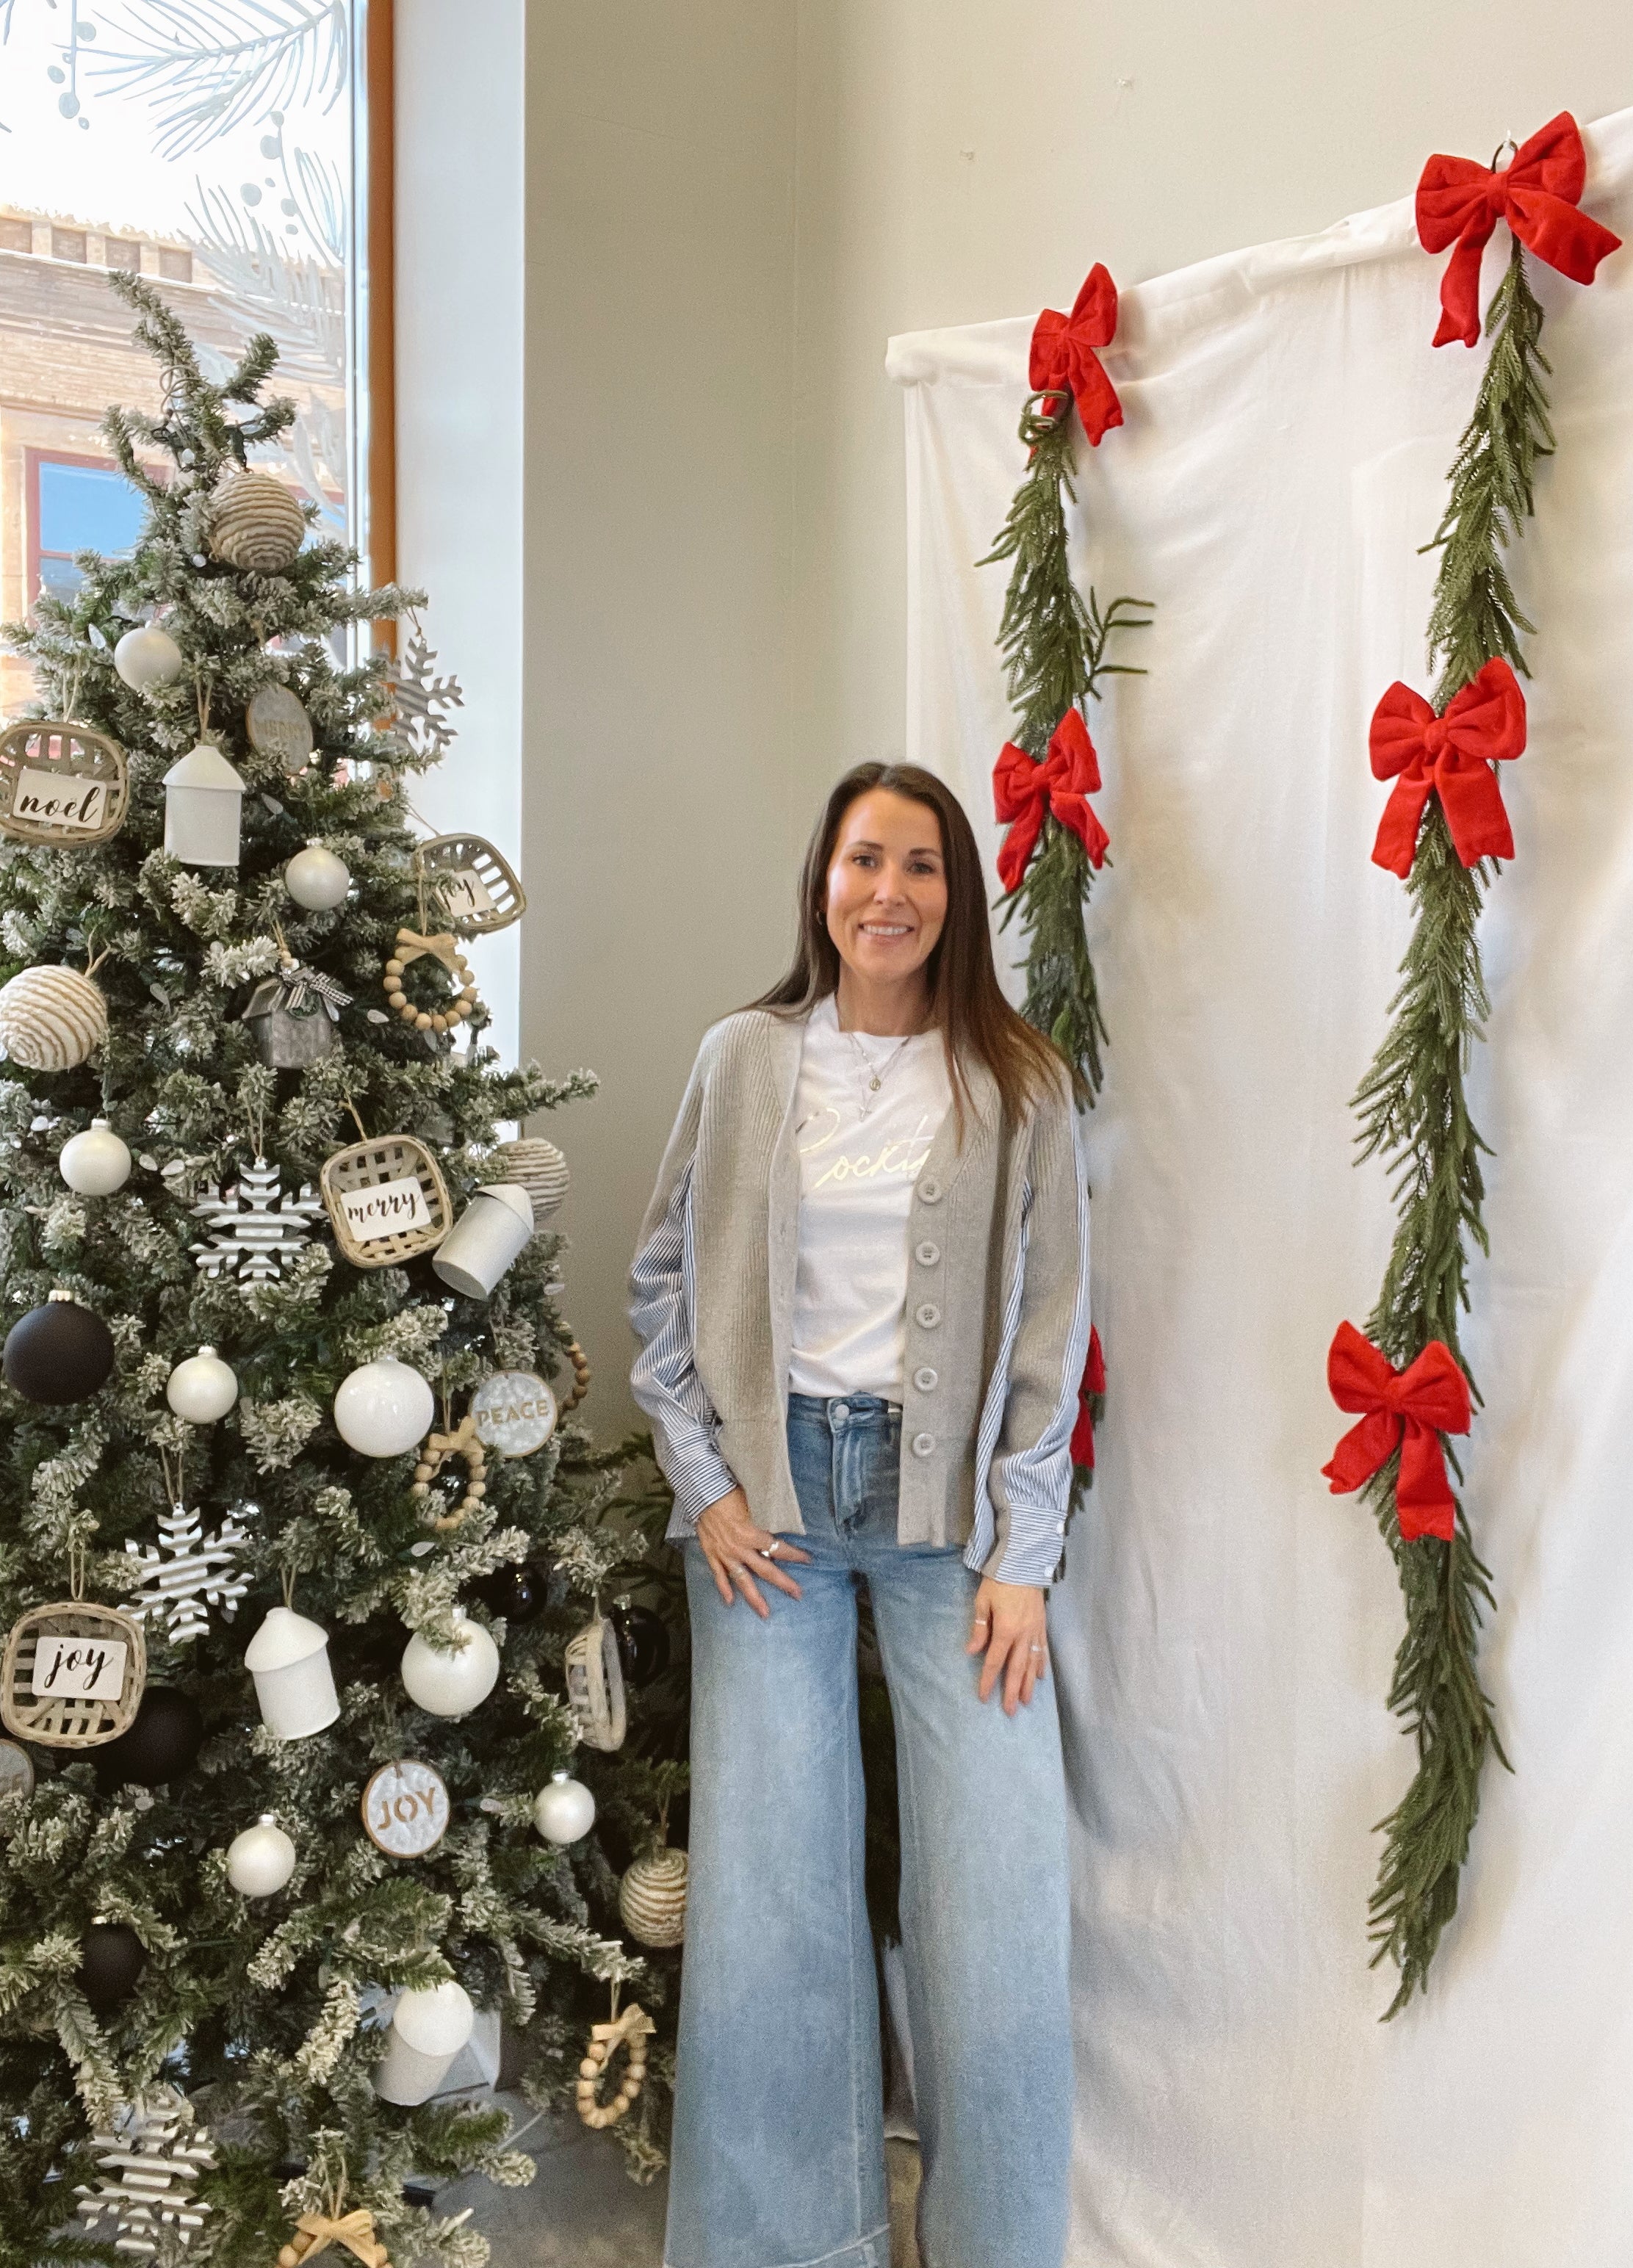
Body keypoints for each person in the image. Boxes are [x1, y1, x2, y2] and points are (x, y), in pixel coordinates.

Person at [630, 761, 1091, 2268]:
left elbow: (1052, 1328)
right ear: (822, 882)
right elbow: (660, 1281)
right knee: (770, 1892)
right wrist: (706, 1484)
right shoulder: (745, 1057)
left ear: (958, 896)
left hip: (950, 1519)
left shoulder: (1018, 1081)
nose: (889, 891)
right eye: (863, 859)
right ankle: (788, 2244)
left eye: (922, 864)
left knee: (994, 1897)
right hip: (770, 1509)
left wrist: (1024, 1555)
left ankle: (995, 2241)